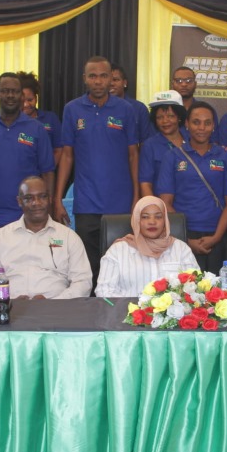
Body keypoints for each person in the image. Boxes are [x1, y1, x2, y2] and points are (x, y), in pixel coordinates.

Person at [53, 55, 140, 287]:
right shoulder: (72, 109)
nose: (99, 81)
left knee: (122, 265)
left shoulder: (126, 110)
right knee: (88, 268)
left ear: (112, 78)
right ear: (85, 79)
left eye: (103, 76)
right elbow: (67, 156)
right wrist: (58, 198)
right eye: (93, 76)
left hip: (120, 205)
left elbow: (134, 155)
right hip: (87, 203)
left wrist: (136, 197)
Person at [0, 72, 55, 251]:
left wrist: (48, 212)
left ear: (22, 95)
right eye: (5, 91)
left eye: (14, 91)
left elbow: (48, 173)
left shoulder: (36, 129)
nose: (10, 95)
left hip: (27, 219)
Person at [156, 102, 227, 273]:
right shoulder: (172, 157)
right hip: (181, 237)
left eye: (207, 123)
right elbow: (165, 202)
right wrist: (186, 239)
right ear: (186, 124)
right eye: (196, 122)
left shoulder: (225, 157)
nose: (202, 127)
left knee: (219, 294)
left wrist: (216, 237)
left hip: (218, 235)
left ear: (213, 126)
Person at [0, 176, 91, 299]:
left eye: (42, 196)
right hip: (11, 311)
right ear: (19, 201)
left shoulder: (68, 237)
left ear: (50, 199)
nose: (36, 203)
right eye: (29, 198)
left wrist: (53, 303)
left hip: (56, 312)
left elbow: (83, 283)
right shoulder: (1, 236)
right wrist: (9, 301)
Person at [94, 195, 198, 297]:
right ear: (136, 220)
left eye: (158, 216)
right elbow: (104, 291)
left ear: (165, 220)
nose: (152, 222)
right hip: (127, 312)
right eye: (145, 217)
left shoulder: (181, 249)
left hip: (173, 313)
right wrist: (135, 308)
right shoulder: (117, 251)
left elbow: (196, 285)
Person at [139, 90, 188, 197]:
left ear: (179, 117)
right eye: (159, 117)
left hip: (191, 204)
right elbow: (145, 183)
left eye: (170, 116)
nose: (165, 121)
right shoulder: (149, 145)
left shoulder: (192, 140)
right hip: (162, 207)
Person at [18, 71, 63, 168]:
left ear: (36, 98)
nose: (26, 105)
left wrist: (46, 171)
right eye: (22, 101)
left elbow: (58, 150)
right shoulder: (12, 122)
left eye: (30, 100)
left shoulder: (51, 118)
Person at [111, 63, 154, 142]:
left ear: (125, 83)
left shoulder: (139, 109)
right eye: (109, 80)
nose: (111, 84)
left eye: (115, 80)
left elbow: (145, 142)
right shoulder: (98, 108)